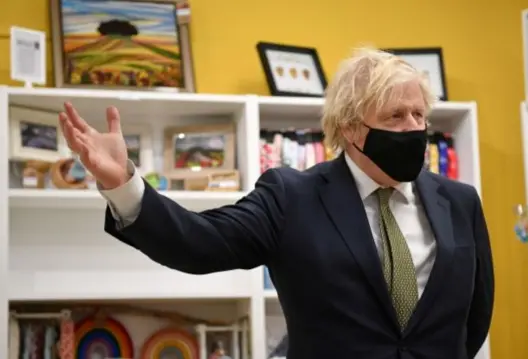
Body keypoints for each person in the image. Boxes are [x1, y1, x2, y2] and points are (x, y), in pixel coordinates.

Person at [58, 48, 494, 359]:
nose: (413, 128)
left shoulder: (459, 202)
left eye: (420, 115)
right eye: (395, 117)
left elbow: (474, 318)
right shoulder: (293, 197)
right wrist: (124, 185)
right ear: (350, 128)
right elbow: (198, 242)